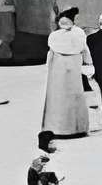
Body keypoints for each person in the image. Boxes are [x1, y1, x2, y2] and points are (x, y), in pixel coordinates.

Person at [40, 7, 93, 138]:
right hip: (74, 69)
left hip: (57, 71)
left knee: (56, 97)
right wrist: (89, 63)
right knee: (75, 96)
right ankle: (76, 128)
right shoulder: (79, 33)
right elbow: (85, 51)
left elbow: (50, 57)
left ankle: (55, 127)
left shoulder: (54, 36)